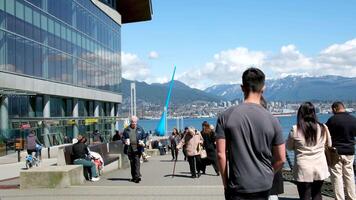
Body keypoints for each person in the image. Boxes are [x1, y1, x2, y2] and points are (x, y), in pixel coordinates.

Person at [215, 68, 285, 200]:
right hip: (263, 184)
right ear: (263, 88)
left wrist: (225, 183)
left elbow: (220, 154)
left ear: (242, 88)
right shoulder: (273, 120)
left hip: (237, 185)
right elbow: (281, 158)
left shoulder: (225, 116)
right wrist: (270, 173)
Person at [287, 102, 332, 200]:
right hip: (320, 166)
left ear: (300, 114)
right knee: (317, 193)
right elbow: (329, 145)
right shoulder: (323, 128)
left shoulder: (295, 129)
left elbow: (289, 147)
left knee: (304, 195)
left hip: (303, 166)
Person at [326, 101, 356, 200]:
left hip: (336, 152)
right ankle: (352, 197)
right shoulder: (353, 120)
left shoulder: (332, 120)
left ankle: (339, 198)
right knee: (349, 176)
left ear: (335, 109)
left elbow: (326, 135)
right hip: (350, 151)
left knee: (336, 177)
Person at [122, 116, 148, 183]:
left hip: (138, 148)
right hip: (129, 149)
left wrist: (143, 142)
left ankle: (137, 177)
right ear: (130, 122)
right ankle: (134, 177)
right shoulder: (127, 129)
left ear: (137, 122)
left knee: (137, 162)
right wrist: (125, 141)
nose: (134, 123)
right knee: (132, 163)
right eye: (133, 122)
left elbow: (144, 137)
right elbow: (122, 137)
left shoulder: (140, 128)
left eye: (135, 122)